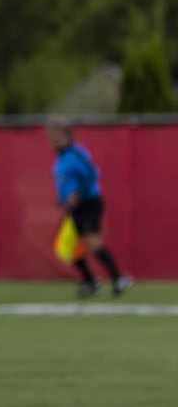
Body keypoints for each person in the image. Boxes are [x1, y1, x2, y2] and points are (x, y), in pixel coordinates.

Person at [49, 119, 132, 299]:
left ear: (67, 136)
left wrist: (78, 193)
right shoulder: (60, 157)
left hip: (88, 204)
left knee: (93, 244)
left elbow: (93, 173)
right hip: (75, 209)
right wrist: (63, 198)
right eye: (52, 136)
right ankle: (90, 281)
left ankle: (119, 278)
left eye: (58, 136)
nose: (54, 140)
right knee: (66, 247)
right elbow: (65, 181)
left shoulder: (76, 153)